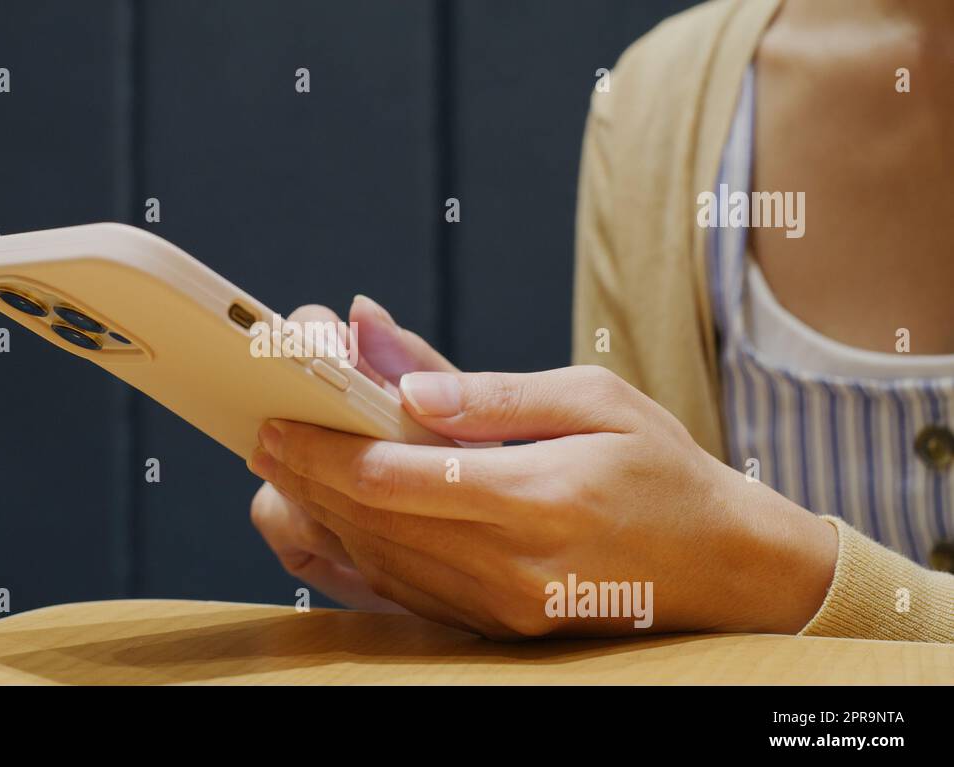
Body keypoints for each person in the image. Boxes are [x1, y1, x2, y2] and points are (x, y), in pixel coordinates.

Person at [246, 0, 954, 642]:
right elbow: (648, 615)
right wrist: (493, 563)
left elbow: (707, 572)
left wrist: (784, 581)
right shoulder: (657, 103)